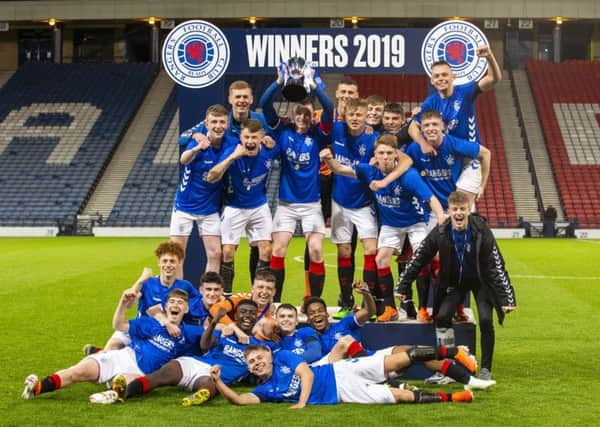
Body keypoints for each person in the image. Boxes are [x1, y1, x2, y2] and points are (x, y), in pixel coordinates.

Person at [396, 191, 517, 381]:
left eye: (462, 209)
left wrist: (507, 298)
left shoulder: (481, 229)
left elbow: (496, 264)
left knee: (486, 320)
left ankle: (485, 368)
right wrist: (403, 286)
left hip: (482, 282)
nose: (458, 213)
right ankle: (447, 368)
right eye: (455, 209)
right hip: (455, 283)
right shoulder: (441, 231)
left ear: (469, 210)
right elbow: (420, 257)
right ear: (449, 211)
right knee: (442, 317)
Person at [322, 134, 445, 321]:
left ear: (396, 154)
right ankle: (390, 308)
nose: (385, 157)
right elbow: (340, 169)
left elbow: (431, 199)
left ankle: (422, 308)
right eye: (381, 153)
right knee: (381, 259)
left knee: (422, 258)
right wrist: (329, 160)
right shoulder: (368, 170)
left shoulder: (409, 176)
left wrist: (442, 219)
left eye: (389, 153)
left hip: (415, 222)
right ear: (375, 155)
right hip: (391, 225)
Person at [22, 289, 203, 401]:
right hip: (123, 356)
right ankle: (38, 388)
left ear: (186, 309)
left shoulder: (190, 332)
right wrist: (122, 304)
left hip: (141, 372)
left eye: (180, 303)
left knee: (123, 382)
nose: (176, 305)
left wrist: (228, 328)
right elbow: (119, 326)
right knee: (79, 371)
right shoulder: (151, 323)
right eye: (172, 302)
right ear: (166, 306)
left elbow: (215, 332)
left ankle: (112, 395)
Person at [89, 299, 278, 406]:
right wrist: (214, 323)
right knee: (162, 375)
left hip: (215, 375)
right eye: (243, 312)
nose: (247, 315)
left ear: (257, 317)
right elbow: (205, 344)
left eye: (251, 313)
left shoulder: (258, 348)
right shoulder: (225, 331)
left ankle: (200, 395)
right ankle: (120, 394)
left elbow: (266, 367)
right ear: (236, 315)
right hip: (195, 363)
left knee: (209, 383)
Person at [404, 110, 491, 323]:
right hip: (433, 213)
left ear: (442, 125)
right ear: (421, 129)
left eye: (435, 124)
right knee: (430, 259)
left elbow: (485, 153)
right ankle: (427, 307)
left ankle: (458, 307)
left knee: (461, 260)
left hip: (456, 211)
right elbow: (403, 163)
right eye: (427, 126)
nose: (431, 128)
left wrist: (482, 185)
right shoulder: (415, 149)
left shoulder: (453, 143)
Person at [209, 343, 497, 407]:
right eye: (252, 362)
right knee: (398, 397)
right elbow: (239, 399)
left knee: (397, 359)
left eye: (259, 357)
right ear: (249, 368)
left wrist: (301, 403)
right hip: (344, 394)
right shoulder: (265, 391)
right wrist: (218, 381)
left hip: (340, 371)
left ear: (268, 356)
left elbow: (307, 375)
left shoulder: (283, 356)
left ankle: (448, 351)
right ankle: (453, 398)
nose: (257, 362)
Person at [329, 98, 412, 320]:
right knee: (344, 251)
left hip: (364, 202)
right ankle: (347, 302)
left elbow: (405, 161)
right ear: (344, 114)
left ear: (367, 117)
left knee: (371, 252)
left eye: (360, 115)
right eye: (351, 114)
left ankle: (373, 303)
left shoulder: (376, 139)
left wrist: (385, 179)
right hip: (339, 200)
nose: (355, 119)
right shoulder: (336, 130)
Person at [259, 65, 334, 302]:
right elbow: (265, 103)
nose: (302, 117)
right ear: (292, 114)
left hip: (312, 204)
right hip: (286, 205)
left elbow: (330, 108)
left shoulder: (318, 135)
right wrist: (280, 82)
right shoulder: (282, 132)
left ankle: (313, 302)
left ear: (312, 117)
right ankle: (276, 302)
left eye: (307, 114)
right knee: (278, 249)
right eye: (298, 113)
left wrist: (315, 85)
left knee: (316, 250)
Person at [408, 45, 501, 207]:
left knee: (460, 204)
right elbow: (412, 127)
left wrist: (489, 57)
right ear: (432, 80)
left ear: (453, 76)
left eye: (445, 75)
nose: (441, 78)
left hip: (469, 156)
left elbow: (494, 79)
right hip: (449, 156)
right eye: (436, 76)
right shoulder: (431, 102)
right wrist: (423, 144)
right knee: (457, 208)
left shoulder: (465, 91)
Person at [83, 241, 204, 354]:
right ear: (159, 263)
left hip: (164, 334)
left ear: (179, 263)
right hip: (139, 327)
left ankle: (101, 353)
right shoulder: (148, 283)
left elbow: (200, 303)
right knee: (113, 345)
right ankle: (103, 353)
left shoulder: (185, 286)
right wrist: (140, 281)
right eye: (165, 261)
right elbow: (129, 304)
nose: (168, 265)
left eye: (172, 261)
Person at [206, 119, 277, 295]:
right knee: (228, 252)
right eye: (246, 137)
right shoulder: (232, 152)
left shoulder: (270, 150)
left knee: (266, 249)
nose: (250, 141)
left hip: (259, 205)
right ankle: (226, 296)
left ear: (262, 137)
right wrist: (232, 157)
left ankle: (259, 295)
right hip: (234, 207)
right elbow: (211, 176)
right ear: (240, 137)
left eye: (254, 137)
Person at [172, 104, 237, 275]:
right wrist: (196, 148)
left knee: (216, 254)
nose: (218, 126)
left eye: (222, 122)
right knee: (176, 254)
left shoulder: (231, 144)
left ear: (227, 124)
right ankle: (178, 297)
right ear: (206, 124)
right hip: (185, 205)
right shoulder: (197, 141)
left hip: (209, 208)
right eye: (214, 122)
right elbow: (183, 160)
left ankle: (209, 297)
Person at [303, 281, 375, 364]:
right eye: (312, 313)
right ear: (308, 319)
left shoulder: (344, 324)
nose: (317, 315)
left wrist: (366, 293)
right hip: (348, 370)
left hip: (370, 358)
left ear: (327, 314)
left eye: (320, 311)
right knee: (345, 341)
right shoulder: (313, 341)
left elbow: (369, 311)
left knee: (393, 351)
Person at [208, 270, 277, 343]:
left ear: (274, 292)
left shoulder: (274, 313)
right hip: (228, 335)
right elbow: (215, 308)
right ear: (253, 289)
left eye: (269, 288)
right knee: (216, 326)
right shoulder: (241, 298)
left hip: (251, 344)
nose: (264, 292)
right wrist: (235, 329)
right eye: (260, 287)